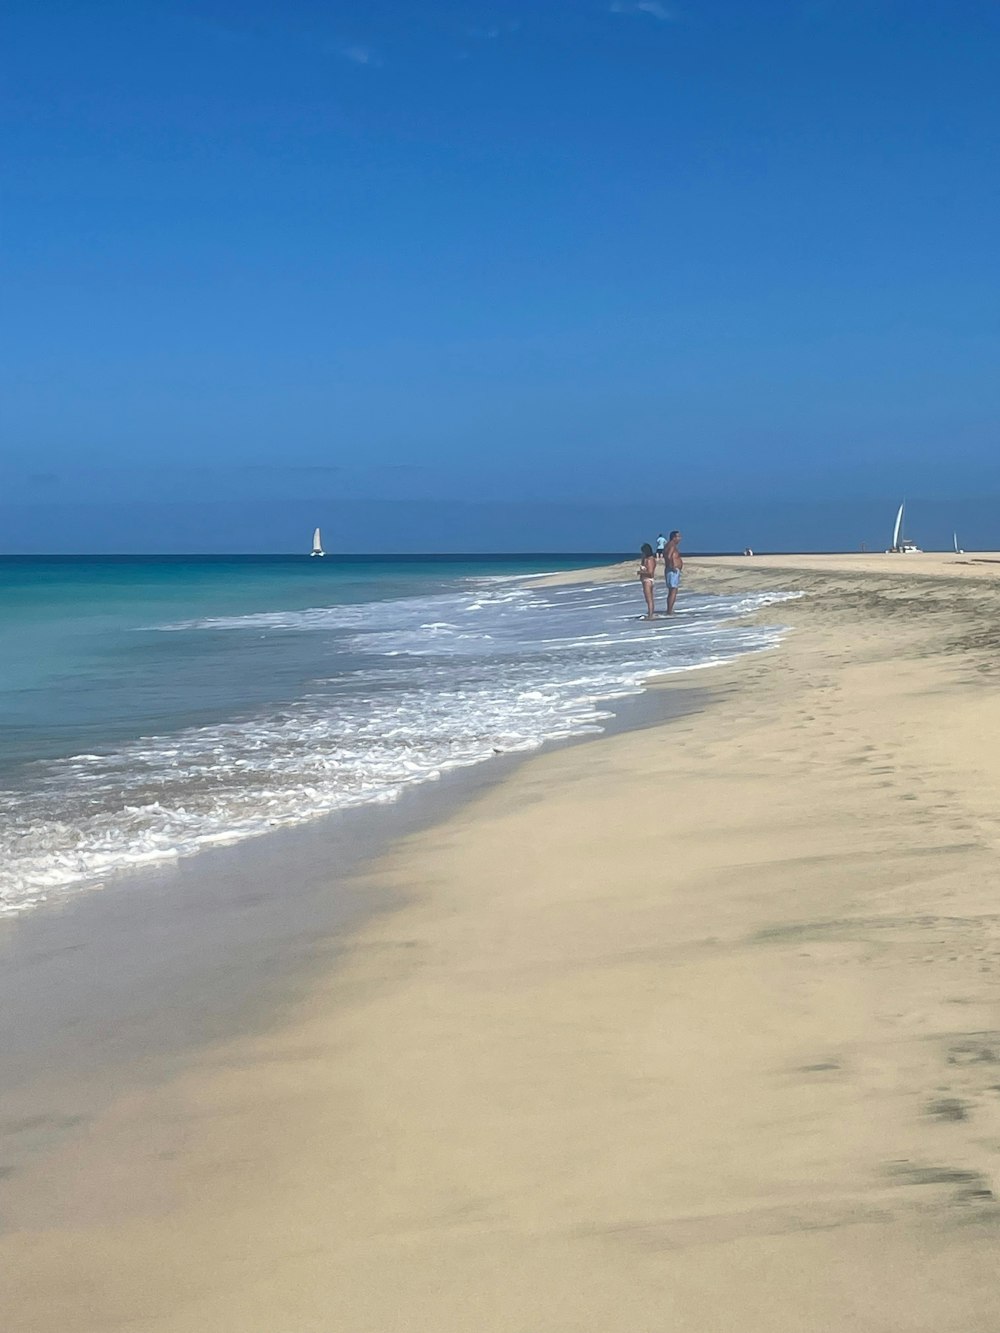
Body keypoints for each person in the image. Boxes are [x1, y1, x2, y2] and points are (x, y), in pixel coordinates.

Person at [663, 529, 683, 615]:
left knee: (672, 590)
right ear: (674, 537)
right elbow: (668, 556)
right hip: (672, 570)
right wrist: (672, 566)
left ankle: (669, 609)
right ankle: (669, 610)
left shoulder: (669, 545)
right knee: (673, 590)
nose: (680, 538)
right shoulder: (672, 545)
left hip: (670, 570)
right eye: (678, 536)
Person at [637, 542, 657, 619]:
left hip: (647, 580)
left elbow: (650, 573)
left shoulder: (650, 560)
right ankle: (650, 613)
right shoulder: (646, 559)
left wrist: (640, 572)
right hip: (646, 580)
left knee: (649, 599)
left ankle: (650, 615)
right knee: (649, 598)